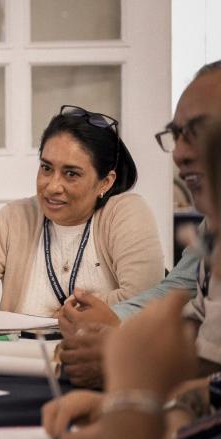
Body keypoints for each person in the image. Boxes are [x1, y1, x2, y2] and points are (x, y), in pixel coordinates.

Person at [58, 61, 221, 388]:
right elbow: (190, 311)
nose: (179, 154)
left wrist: (124, 349)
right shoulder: (213, 225)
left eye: (199, 132)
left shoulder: (127, 210)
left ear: (107, 180)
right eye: (177, 136)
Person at [0, 105, 163, 320]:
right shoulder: (16, 217)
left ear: (105, 182)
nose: (52, 186)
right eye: (46, 168)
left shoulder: (124, 212)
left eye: (71, 174)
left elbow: (146, 299)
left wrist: (76, 311)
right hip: (20, 353)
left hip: (104, 354)